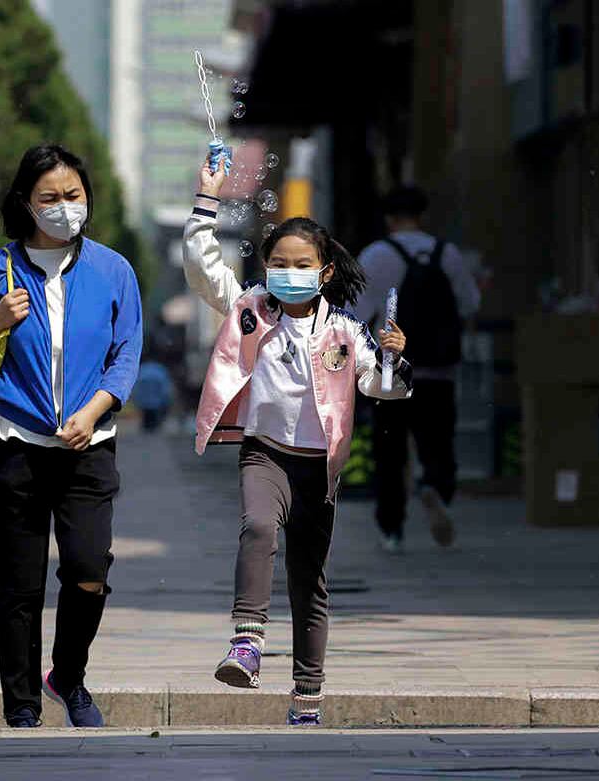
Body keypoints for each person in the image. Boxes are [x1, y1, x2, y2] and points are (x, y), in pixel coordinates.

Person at [183, 151, 412, 726]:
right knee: (258, 526)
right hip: (264, 453)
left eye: (302, 264)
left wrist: (393, 360)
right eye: (279, 263)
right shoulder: (250, 310)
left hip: (318, 467)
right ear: (265, 266)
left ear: (324, 271)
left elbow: (380, 387)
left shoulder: (346, 330)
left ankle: (307, 696)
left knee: (310, 582)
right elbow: (203, 268)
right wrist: (207, 199)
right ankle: (246, 643)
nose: (289, 272)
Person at [0, 143, 142, 728]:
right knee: (19, 587)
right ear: (25, 203)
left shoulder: (113, 270)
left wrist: (95, 410)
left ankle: (68, 675)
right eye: (49, 197)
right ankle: (21, 707)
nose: (63, 206)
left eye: (73, 195)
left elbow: (126, 352)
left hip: (87, 446)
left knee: (88, 568)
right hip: (13, 445)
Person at [354, 185, 481, 554]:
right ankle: (435, 488)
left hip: (390, 372)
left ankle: (391, 529)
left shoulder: (376, 255)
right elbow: (470, 304)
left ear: (388, 218)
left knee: (389, 454)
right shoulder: (447, 254)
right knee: (439, 443)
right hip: (439, 371)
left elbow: (356, 314)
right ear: (422, 215)